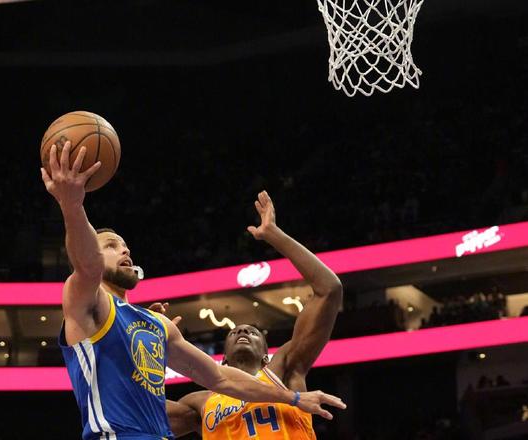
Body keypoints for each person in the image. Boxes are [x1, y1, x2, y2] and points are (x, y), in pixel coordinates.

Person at [40, 143, 346, 440]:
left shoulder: (158, 326)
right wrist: (72, 205)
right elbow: (88, 265)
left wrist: (294, 398)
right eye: (111, 245)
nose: (125, 250)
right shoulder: (87, 300)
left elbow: (220, 377)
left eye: (125, 245)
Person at [163, 191, 343, 439]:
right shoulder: (199, 402)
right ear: (223, 359)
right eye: (234, 332)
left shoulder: (285, 369)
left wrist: (275, 235)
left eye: (254, 332)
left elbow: (329, 290)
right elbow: (137, 415)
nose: (242, 330)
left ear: (266, 356)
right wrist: (145, 343)